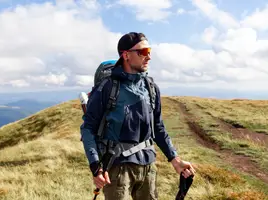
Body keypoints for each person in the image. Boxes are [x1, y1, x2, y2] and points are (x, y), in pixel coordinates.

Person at [80, 32, 196, 200]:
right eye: (143, 52)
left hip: (148, 166)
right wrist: (96, 167)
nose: (148, 57)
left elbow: (158, 127)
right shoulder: (107, 88)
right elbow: (88, 128)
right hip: (117, 169)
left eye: (149, 51)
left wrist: (175, 160)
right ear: (126, 55)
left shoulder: (151, 87)